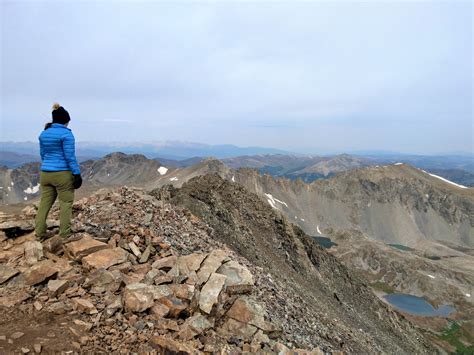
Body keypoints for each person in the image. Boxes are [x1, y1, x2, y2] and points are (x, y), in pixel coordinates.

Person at [35, 103, 83, 243]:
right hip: (62, 174)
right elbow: (70, 156)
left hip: (45, 173)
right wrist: (77, 174)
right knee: (66, 203)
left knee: (44, 203)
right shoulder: (66, 134)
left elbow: (43, 154)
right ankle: (65, 234)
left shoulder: (44, 133)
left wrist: (48, 165)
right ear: (65, 120)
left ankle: (39, 232)